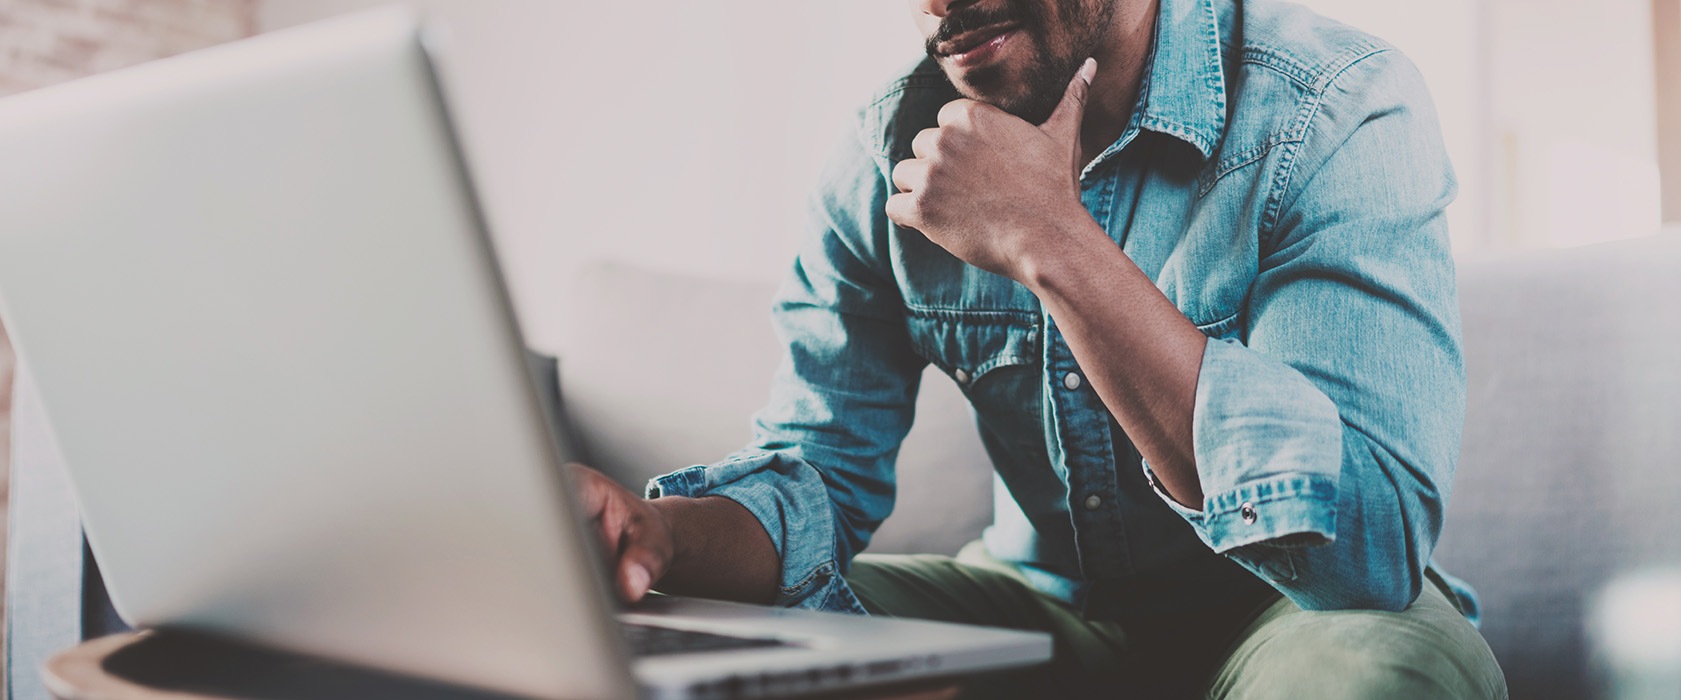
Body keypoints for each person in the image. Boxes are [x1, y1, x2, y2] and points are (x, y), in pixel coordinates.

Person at [566, 0, 1508, 696]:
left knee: (1376, 680)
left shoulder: (1331, 110)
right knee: (722, 645)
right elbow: (820, 475)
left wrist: (1053, 240)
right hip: (1041, 601)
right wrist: (661, 537)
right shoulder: (883, 156)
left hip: (1298, 616)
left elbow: (1371, 547)